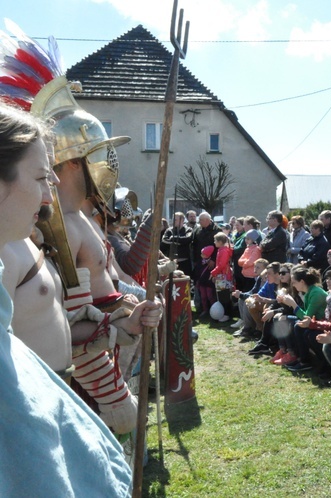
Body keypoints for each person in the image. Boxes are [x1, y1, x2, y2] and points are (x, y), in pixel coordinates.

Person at [0, 102, 148, 495]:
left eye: (49, 177)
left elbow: (59, 317)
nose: (47, 194)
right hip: (30, 416)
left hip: (56, 395)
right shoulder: (14, 247)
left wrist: (119, 323)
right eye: (38, 177)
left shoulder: (23, 240)